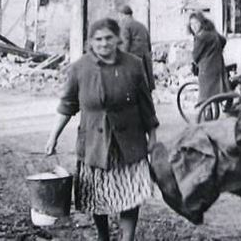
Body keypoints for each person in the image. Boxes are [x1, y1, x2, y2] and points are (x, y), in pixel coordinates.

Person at [45, 18, 158, 241]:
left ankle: (128, 237)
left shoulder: (134, 65)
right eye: (98, 39)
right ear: (90, 42)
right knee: (97, 193)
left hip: (129, 141)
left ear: (118, 39)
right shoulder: (79, 68)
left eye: (108, 38)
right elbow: (67, 105)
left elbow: (146, 105)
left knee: (130, 192)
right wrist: (52, 138)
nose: (104, 44)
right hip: (94, 144)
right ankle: (103, 235)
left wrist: (152, 135)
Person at [189, 12, 227, 104]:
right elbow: (223, 40)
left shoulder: (200, 37)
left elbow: (195, 55)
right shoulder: (212, 32)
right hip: (218, 65)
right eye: (191, 24)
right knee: (216, 89)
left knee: (205, 92)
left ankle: (207, 111)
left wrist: (196, 60)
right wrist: (216, 51)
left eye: (196, 23)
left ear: (201, 23)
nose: (193, 26)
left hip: (206, 68)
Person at [118, 5, 154, 90]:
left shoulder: (125, 25)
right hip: (145, 59)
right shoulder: (142, 26)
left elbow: (125, 44)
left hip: (134, 58)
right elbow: (149, 45)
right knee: (145, 85)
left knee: (132, 85)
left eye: (120, 16)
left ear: (123, 15)